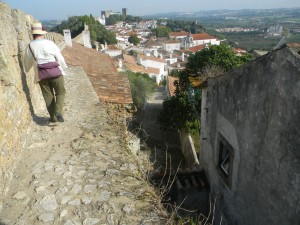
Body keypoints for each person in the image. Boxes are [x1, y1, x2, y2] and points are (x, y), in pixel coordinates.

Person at [24, 22, 68, 123]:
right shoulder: (50, 43)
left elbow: (27, 62)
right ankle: (58, 111)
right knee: (61, 92)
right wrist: (63, 68)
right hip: (56, 72)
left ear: (33, 34)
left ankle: (53, 118)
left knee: (48, 96)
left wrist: (26, 69)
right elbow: (59, 57)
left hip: (42, 74)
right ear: (42, 33)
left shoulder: (30, 46)